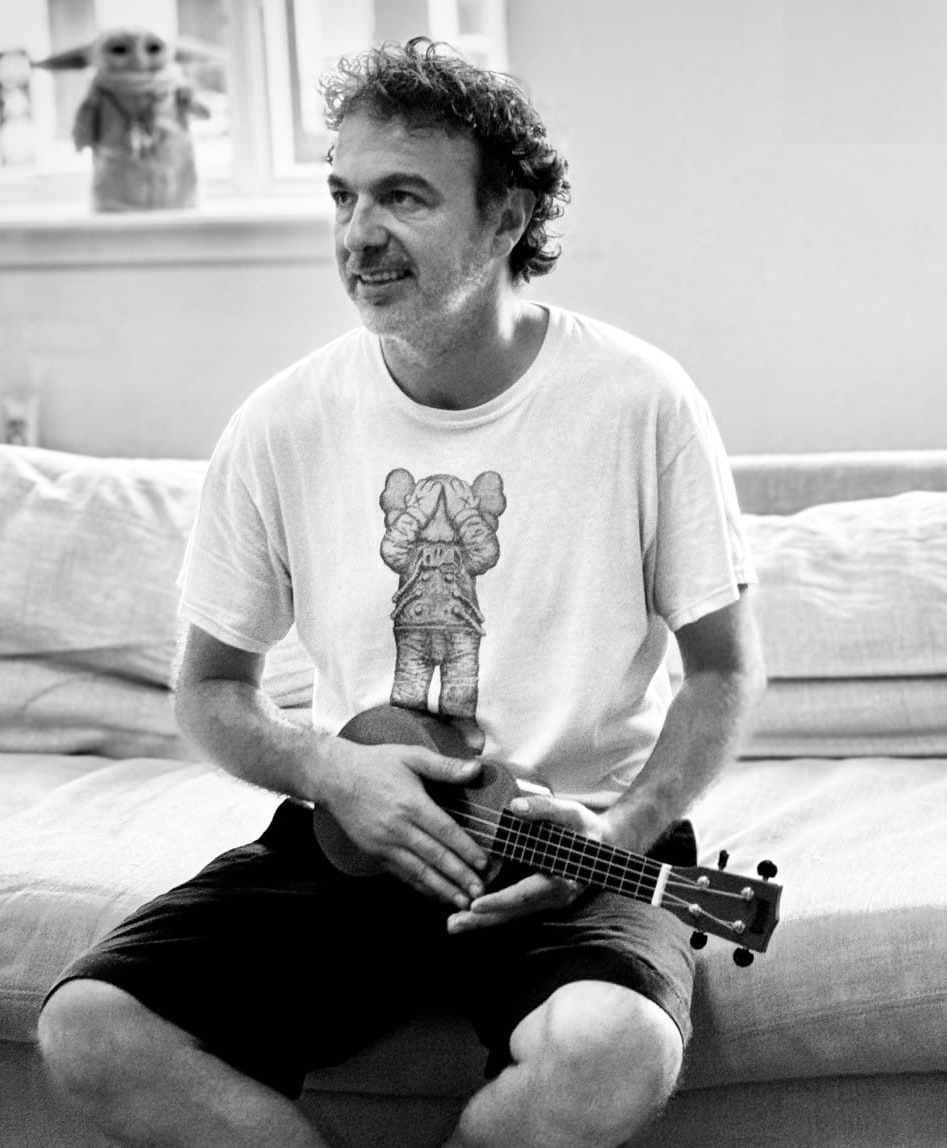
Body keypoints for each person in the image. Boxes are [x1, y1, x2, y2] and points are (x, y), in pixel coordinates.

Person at [38, 37, 765, 1148]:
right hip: (360, 837)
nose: (358, 235)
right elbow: (209, 689)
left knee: (614, 1046)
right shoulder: (281, 422)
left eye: (404, 196)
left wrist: (622, 827)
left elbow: (723, 669)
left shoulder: (641, 402)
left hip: (580, 848)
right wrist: (332, 766)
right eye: (343, 194)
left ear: (508, 217)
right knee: (91, 1028)